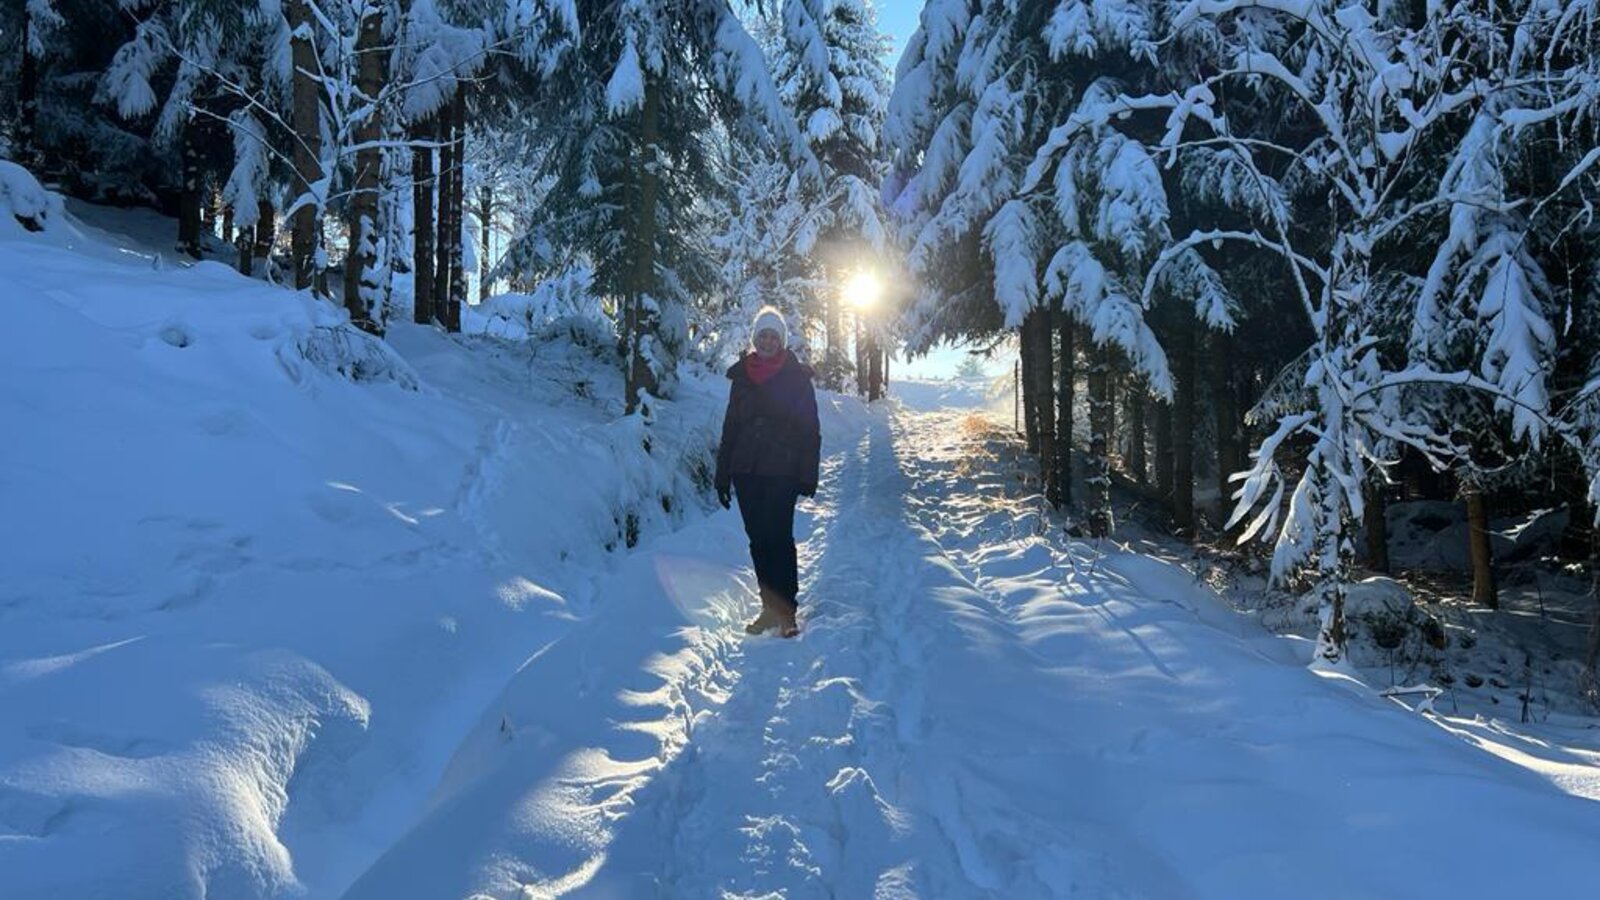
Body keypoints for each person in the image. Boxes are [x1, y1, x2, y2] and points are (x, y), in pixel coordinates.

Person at [714, 307, 821, 638]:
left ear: (782, 340)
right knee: (758, 540)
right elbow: (730, 427)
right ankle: (768, 608)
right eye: (763, 335)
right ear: (754, 339)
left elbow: (809, 429)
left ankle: (786, 611)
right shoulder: (742, 377)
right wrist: (723, 473)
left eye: (774, 335)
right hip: (746, 471)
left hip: (782, 471)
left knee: (779, 538)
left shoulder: (797, 378)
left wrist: (807, 474)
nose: (768, 341)